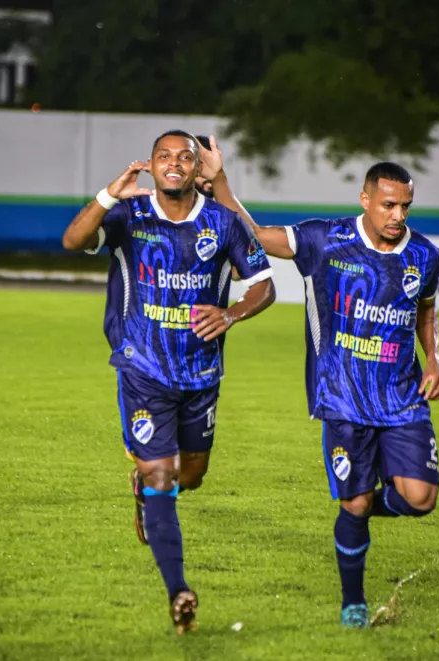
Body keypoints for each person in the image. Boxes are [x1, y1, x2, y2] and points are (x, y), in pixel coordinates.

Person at [201, 140, 439, 628]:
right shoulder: (324, 239)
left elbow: (426, 310)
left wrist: (434, 360)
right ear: (365, 199)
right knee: (353, 502)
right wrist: (222, 182)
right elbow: (253, 235)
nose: (398, 215)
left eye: (405, 206)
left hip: (402, 398)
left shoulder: (425, 254)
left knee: (421, 499)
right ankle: (352, 600)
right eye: (388, 204)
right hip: (342, 398)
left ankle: (356, 507)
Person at [62, 130, 275, 633]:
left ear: (198, 168)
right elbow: (73, 241)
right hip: (143, 369)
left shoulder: (222, 223)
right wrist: (107, 195)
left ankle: (147, 487)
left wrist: (231, 313)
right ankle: (178, 590)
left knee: (191, 476)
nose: (174, 163)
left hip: (201, 373)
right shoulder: (128, 215)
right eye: (164, 157)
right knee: (163, 477)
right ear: (151, 166)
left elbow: (263, 285)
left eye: (186, 157)